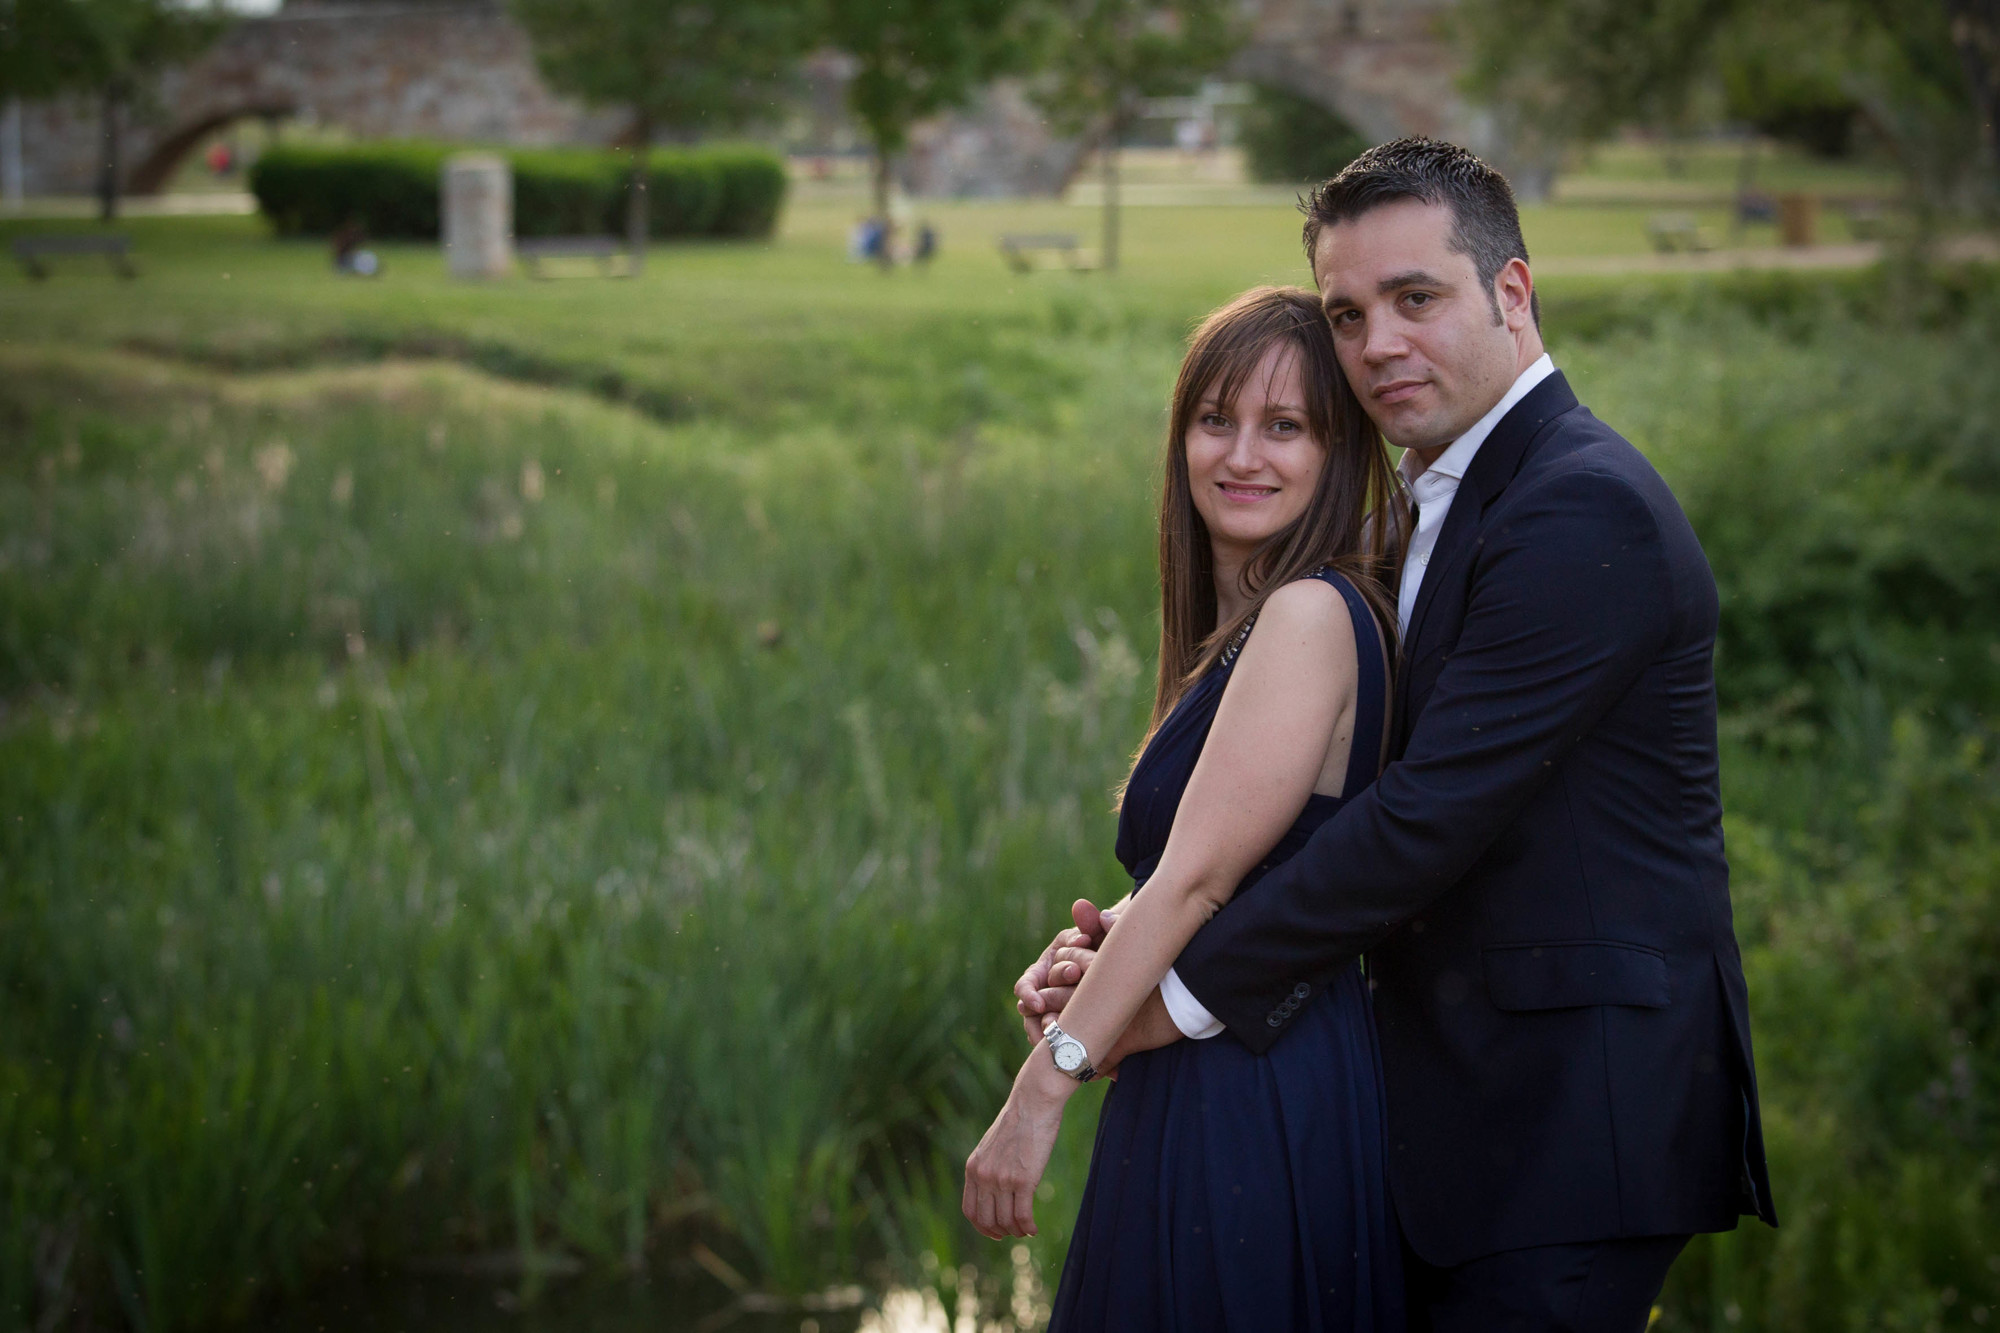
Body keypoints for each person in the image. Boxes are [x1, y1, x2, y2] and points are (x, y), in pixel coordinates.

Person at [1014, 138, 1778, 1331]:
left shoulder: (1582, 504)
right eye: (1347, 311)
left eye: (1414, 298)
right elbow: (1299, 807)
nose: (1375, 343)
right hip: (1434, 1111)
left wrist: (1154, 1003)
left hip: (1572, 1118)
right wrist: (1119, 947)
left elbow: (1419, 823)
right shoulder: (1432, 506)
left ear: (1510, 293)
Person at [962, 285, 1408, 1330]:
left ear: (1336, 450)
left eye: (1283, 426)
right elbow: (1242, 867)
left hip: (1251, 1091)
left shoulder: (1307, 613)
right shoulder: (1250, 624)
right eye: (1216, 419)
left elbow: (1198, 878)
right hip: (1224, 1069)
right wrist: (1093, 962)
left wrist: (1043, 1085)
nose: (1241, 454)